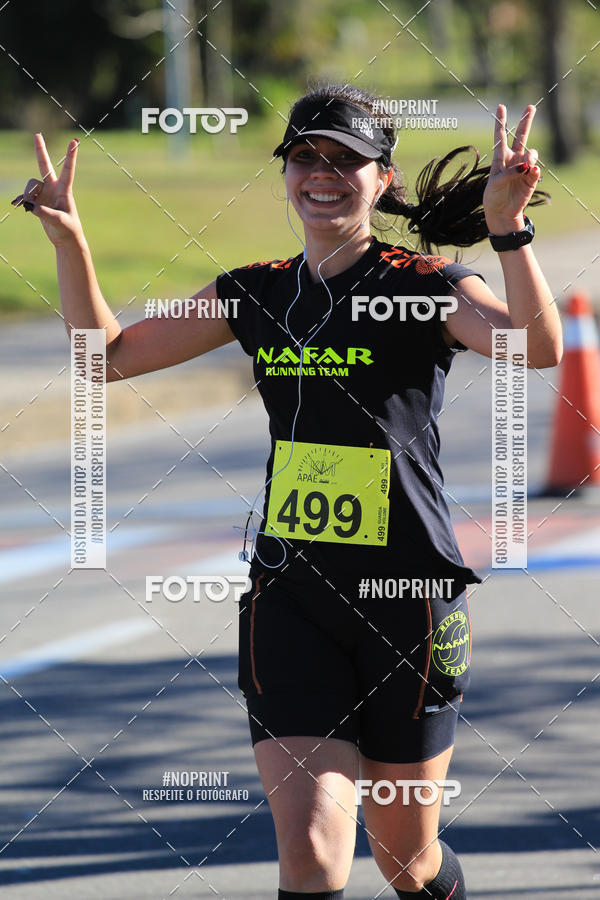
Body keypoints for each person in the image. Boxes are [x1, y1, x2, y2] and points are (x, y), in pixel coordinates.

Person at [14, 83, 562, 899]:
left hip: (406, 595)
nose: (322, 174)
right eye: (305, 156)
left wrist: (508, 230)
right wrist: (70, 241)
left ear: (383, 179)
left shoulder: (425, 284)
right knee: (309, 850)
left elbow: (536, 351)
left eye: (346, 160)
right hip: (290, 594)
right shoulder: (257, 291)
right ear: (284, 174)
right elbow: (108, 357)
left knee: (404, 858)